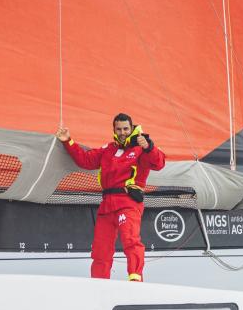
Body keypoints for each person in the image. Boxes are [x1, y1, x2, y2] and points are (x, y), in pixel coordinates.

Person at [56, 113, 165, 282]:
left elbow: (159, 163)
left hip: (128, 203)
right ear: (114, 130)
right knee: (100, 250)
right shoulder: (108, 149)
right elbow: (85, 160)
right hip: (107, 204)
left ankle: (135, 280)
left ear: (131, 128)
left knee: (131, 241)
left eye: (126, 129)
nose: (122, 132)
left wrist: (149, 147)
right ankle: (99, 284)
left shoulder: (141, 147)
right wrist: (67, 141)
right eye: (119, 129)